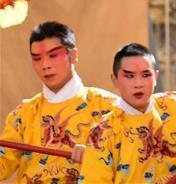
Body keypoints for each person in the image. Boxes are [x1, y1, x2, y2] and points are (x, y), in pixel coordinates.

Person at [0, 21, 117, 182]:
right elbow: (2, 164)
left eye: (53, 55)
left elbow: (132, 161)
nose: (45, 65)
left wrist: (97, 155)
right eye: (37, 58)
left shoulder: (109, 107)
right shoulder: (22, 114)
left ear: (74, 55)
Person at [79, 43, 176, 182]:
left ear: (155, 77)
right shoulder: (103, 132)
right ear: (115, 80)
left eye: (145, 75)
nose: (138, 83)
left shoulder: (174, 105)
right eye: (129, 76)